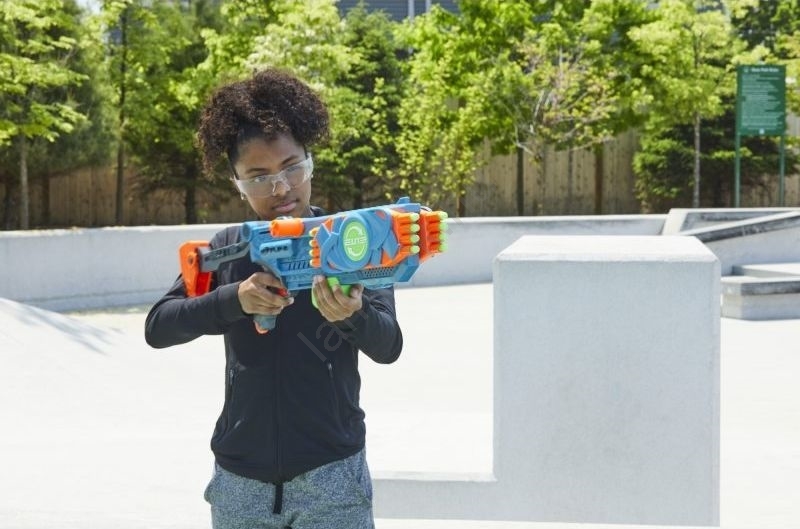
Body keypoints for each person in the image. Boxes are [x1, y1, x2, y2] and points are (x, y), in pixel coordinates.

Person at [144, 68, 403, 529]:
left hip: (332, 477)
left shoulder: (354, 241)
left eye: (291, 168)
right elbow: (159, 327)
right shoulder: (229, 247)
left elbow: (389, 346)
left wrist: (353, 315)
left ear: (311, 161)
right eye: (259, 177)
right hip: (240, 480)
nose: (281, 188)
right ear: (236, 182)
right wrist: (234, 300)